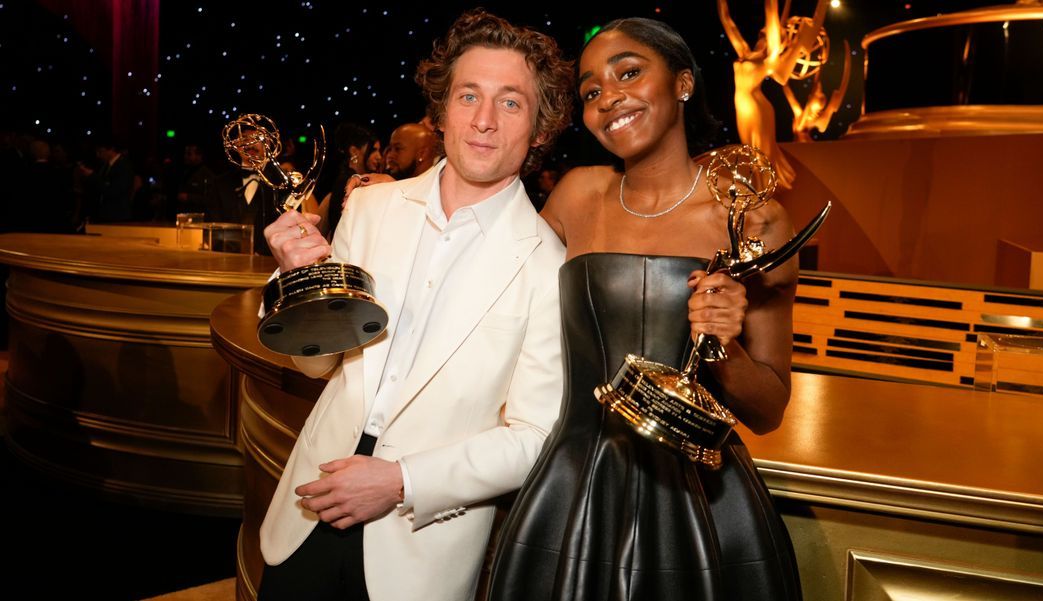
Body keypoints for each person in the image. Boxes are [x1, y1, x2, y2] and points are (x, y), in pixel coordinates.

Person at [256, 9, 574, 601]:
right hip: (311, 504)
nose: (483, 121)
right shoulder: (370, 210)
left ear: (539, 129)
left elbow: (534, 436)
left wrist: (401, 481)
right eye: (468, 96)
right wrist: (298, 285)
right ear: (441, 111)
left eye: (510, 103)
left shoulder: (549, 265)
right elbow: (316, 363)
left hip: (419, 539)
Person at [489, 17, 802, 601]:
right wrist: (405, 198)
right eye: (590, 92)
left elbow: (769, 411)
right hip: (573, 483)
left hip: (700, 505)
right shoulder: (576, 196)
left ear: (683, 83)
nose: (609, 98)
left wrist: (724, 348)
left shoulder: (754, 218)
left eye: (628, 72)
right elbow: (486, 281)